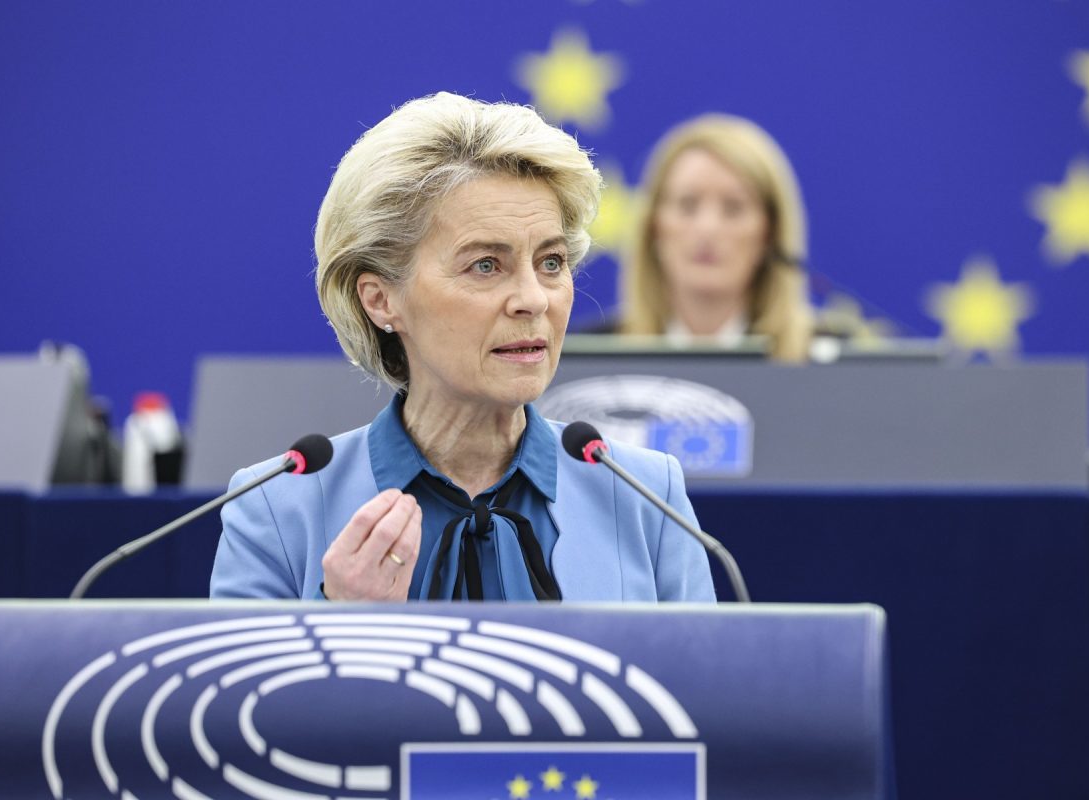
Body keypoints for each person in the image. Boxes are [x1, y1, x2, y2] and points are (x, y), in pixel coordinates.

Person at [210, 93, 716, 603]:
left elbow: (704, 685)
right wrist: (344, 629)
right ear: (381, 300)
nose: (533, 299)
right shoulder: (276, 509)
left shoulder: (646, 495)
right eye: (486, 265)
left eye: (551, 262)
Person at [615, 114, 813, 360]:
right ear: (654, 226)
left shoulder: (834, 362)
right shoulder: (590, 357)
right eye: (687, 205)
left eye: (733, 208)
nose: (707, 228)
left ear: (769, 233)